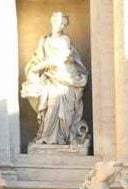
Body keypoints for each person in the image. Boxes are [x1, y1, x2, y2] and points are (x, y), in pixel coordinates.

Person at [21, 11, 88, 145]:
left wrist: (40, 66)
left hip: (66, 77)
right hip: (50, 77)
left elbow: (59, 60)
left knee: (57, 104)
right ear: (52, 21)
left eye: (63, 24)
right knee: (51, 103)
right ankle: (47, 136)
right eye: (59, 22)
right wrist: (33, 69)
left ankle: (62, 137)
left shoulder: (65, 39)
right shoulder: (44, 40)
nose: (61, 26)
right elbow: (38, 58)